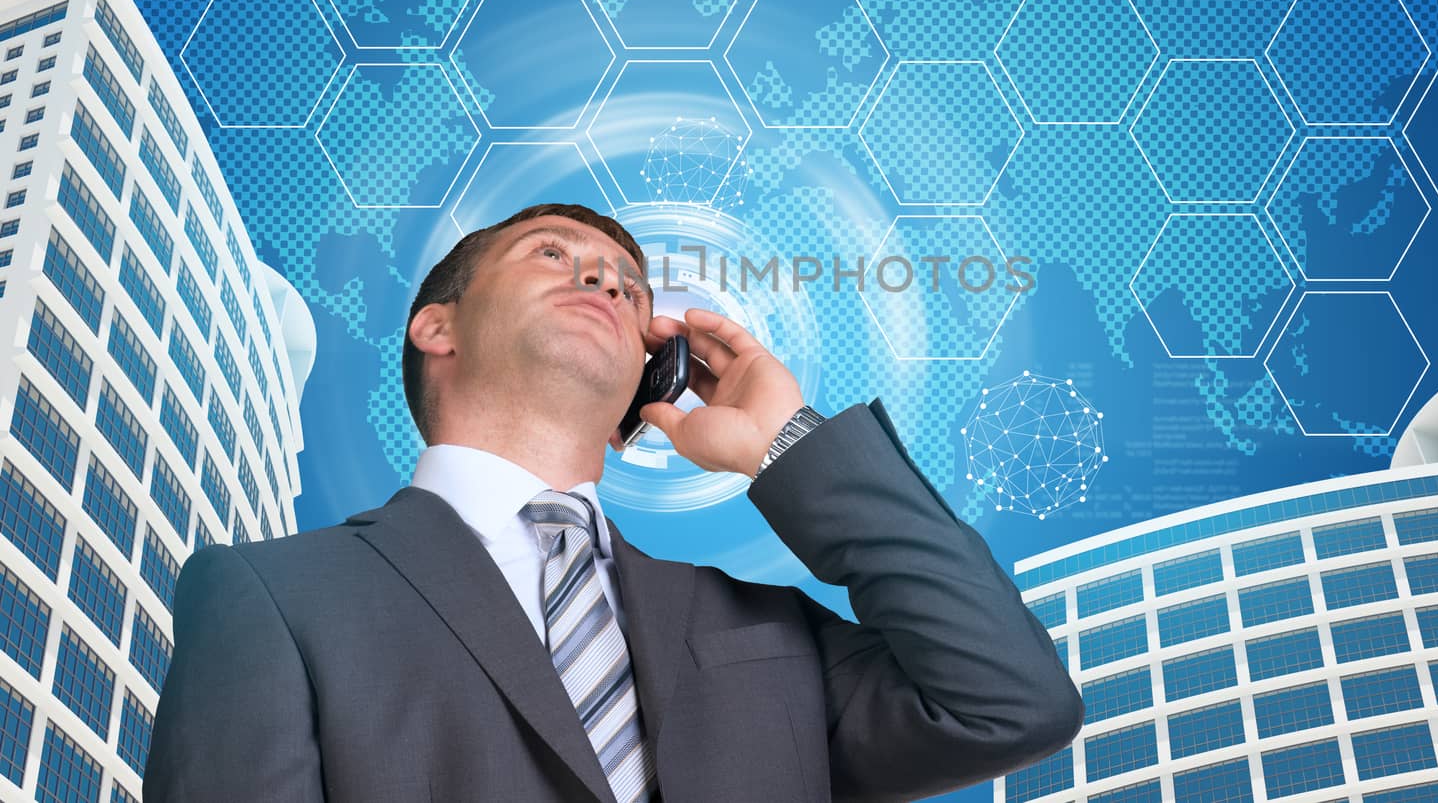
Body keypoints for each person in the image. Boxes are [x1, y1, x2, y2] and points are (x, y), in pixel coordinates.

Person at [144, 202, 1083, 802]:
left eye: (631, 289)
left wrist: (785, 445)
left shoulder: (763, 631)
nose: (602, 278)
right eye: (551, 253)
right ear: (438, 325)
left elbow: (1009, 704)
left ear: (651, 377)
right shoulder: (271, 595)